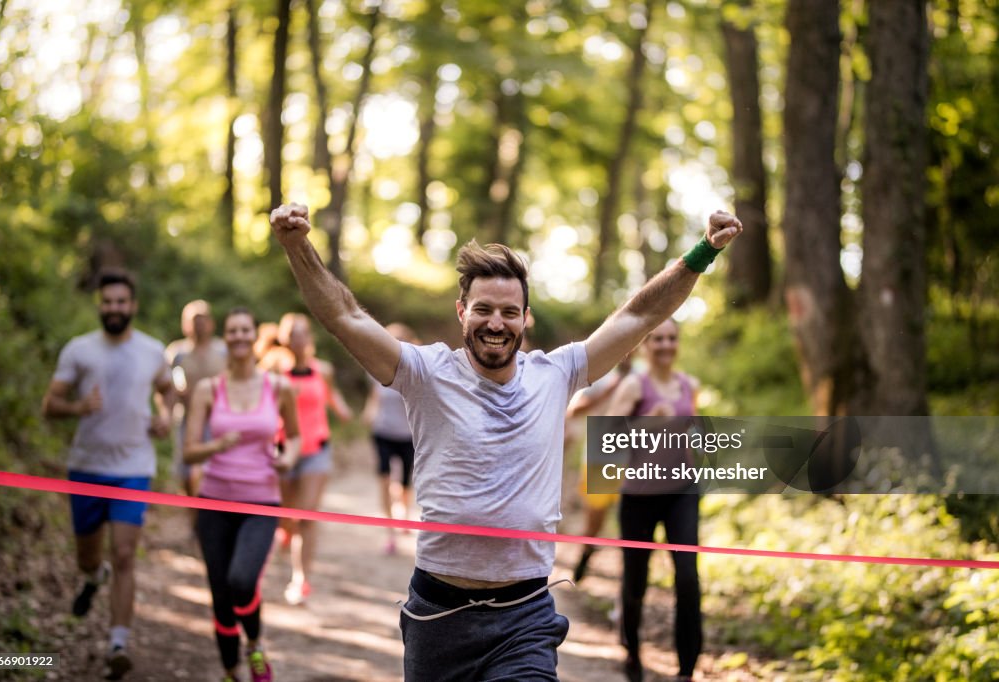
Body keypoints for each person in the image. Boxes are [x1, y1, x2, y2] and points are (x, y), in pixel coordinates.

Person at [269, 201, 740, 681]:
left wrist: (702, 252)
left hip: (525, 615)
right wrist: (297, 245)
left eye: (510, 312)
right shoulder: (425, 373)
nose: (497, 323)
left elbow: (637, 317)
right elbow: (345, 316)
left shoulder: (556, 374)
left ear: (525, 318)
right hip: (439, 615)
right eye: (484, 310)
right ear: (462, 312)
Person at [42, 267, 175, 680]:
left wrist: (167, 415)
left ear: (132, 306)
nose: (115, 308)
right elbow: (50, 405)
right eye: (108, 302)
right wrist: (77, 408)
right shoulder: (79, 350)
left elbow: (168, 388)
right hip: (86, 466)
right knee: (89, 556)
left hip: (133, 468)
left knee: (123, 554)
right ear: (100, 305)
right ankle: (92, 577)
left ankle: (118, 642)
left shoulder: (153, 351)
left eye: (122, 302)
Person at [183, 307, 301, 682]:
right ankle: (231, 671)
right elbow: (188, 451)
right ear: (225, 336)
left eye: (244, 330)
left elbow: (295, 438)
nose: (237, 336)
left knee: (241, 580)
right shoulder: (208, 389)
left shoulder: (278, 386)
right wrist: (215, 445)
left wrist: (288, 458)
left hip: (261, 502)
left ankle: (255, 643)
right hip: (214, 501)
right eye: (231, 331)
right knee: (220, 593)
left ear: (254, 336)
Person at [606, 319, 702, 681]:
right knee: (636, 582)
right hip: (639, 498)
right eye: (658, 338)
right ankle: (631, 649)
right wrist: (645, 423)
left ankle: (687, 669)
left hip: (682, 493)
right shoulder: (634, 385)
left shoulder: (688, 385)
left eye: (672, 338)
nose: (665, 345)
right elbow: (607, 438)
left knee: (688, 579)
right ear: (646, 344)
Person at [268, 312, 353, 605]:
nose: (298, 339)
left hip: (317, 450)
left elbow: (331, 396)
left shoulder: (323, 370)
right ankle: (286, 531)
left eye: (303, 333)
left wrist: (343, 410)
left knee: (307, 516)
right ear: (284, 339)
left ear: (309, 338)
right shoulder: (275, 371)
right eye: (292, 334)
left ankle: (300, 579)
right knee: (287, 516)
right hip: (283, 451)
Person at [566, 353, 633, 583]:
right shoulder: (602, 373)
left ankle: (629, 580)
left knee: (633, 525)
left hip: (635, 461)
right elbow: (574, 410)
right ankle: (586, 553)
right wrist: (610, 389)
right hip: (600, 459)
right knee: (595, 522)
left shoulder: (644, 374)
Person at [361, 322, 420, 555]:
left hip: (407, 435)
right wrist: (369, 410)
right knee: (384, 479)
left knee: (404, 484)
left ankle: (403, 514)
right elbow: (375, 395)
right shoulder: (375, 368)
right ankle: (390, 530)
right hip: (383, 432)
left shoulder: (415, 371)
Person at [166, 299, 227, 496]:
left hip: (217, 418)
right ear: (185, 324)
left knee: (217, 464)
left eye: (202, 319)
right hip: (186, 417)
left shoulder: (223, 350)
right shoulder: (176, 353)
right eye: (193, 320)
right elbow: (168, 384)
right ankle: (193, 509)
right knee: (186, 467)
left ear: (211, 323)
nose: (198, 324)